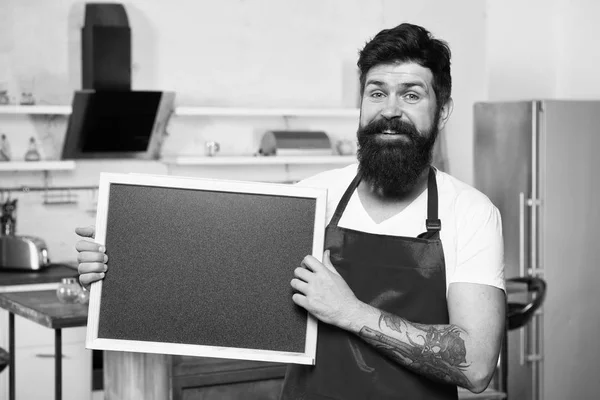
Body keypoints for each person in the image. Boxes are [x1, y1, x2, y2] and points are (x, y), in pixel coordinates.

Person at [76, 23, 505, 400]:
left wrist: (351, 312)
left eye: (411, 94)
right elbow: (212, 288)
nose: (390, 110)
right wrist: (115, 275)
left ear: (442, 111)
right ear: (361, 104)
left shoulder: (470, 213)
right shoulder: (311, 197)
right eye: (377, 92)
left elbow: (478, 365)